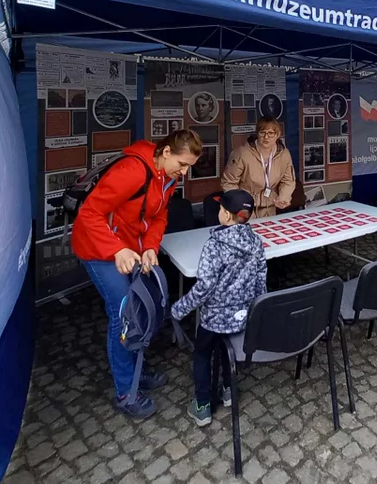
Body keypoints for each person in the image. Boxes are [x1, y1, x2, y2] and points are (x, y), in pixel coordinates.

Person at [71, 129, 203, 418]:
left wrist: (151, 247)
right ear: (166, 152)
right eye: (182, 164)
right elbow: (89, 214)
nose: (184, 172)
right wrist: (116, 249)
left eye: (189, 167)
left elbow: (159, 216)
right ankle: (125, 391)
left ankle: (135, 372)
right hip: (98, 249)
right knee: (122, 314)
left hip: (132, 250)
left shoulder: (166, 177)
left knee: (143, 309)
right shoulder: (132, 171)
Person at [171, 189, 266, 426]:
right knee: (228, 350)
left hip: (214, 319)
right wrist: (258, 310)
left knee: (202, 354)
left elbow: (204, 287)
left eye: (220, 209)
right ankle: (228, 390)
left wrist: (179, 309)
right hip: (243, 316)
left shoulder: (214, 245)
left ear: (226, 215)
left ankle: (202, 406)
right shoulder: (256, 241)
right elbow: (260, 279)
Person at [222, 116, 296, 218]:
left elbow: (288, 181)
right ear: (257, 133)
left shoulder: (284, 154)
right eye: (262, 132)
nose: (266, 137)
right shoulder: (241, 153)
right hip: (245, 210)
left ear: (277, 135)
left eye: (270, 133)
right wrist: (241, 205)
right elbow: (228, 183)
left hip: (269, 208)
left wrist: (283, 198)